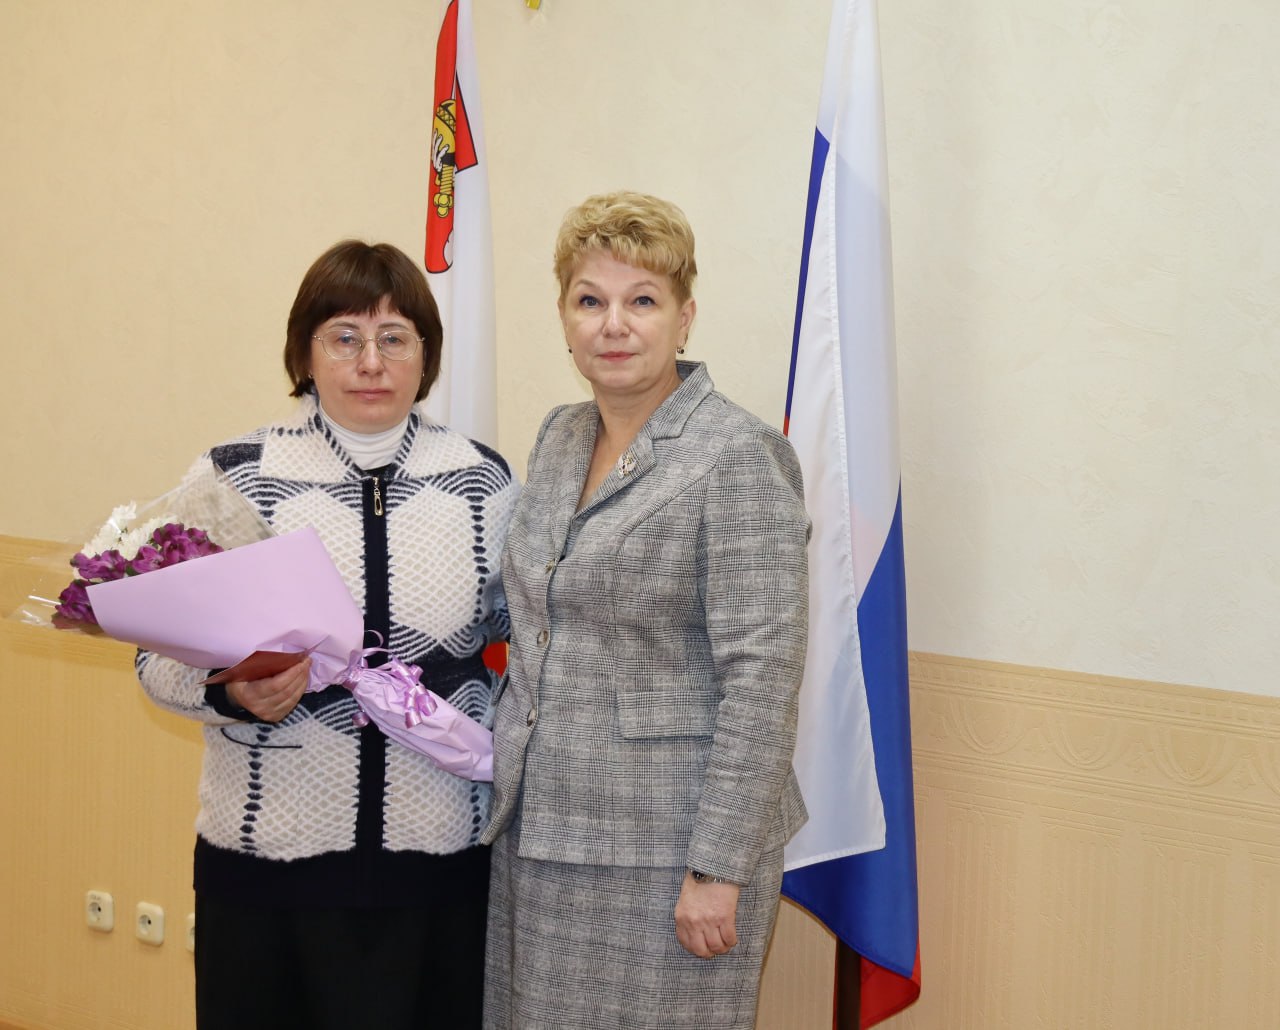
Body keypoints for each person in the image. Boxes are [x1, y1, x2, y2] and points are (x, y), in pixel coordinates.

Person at [137, 240, 518, 1030]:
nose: (370, 362)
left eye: (394, 337)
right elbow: (154, 659)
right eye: (344, 337)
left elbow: (531, 657)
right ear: (303, 353)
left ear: (426, 355)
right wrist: (230, 693)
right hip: (264, 873)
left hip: (439, 870)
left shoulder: (486, 484)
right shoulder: (234, 477)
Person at [482, 192, 810, 1029]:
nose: (614, 325)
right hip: (539, 830)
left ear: (684, 317)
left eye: (643, 301)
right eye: (590, 300)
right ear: (564, 318)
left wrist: (718, 869)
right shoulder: (560, 435)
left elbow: (762, 680)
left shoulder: (737, 453)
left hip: (670, 852)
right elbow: (533, 611)